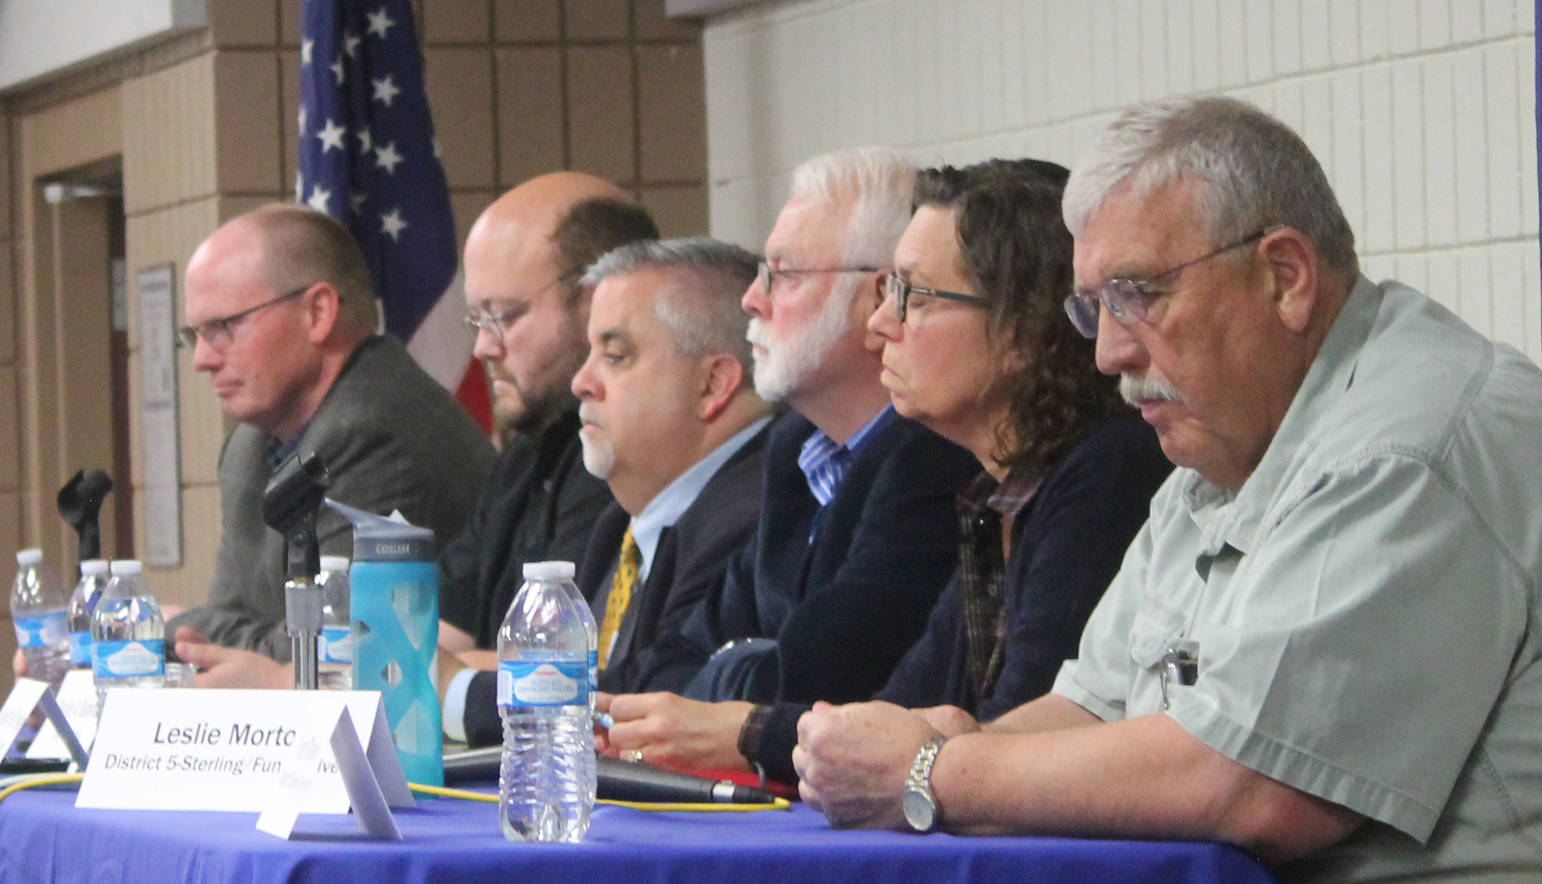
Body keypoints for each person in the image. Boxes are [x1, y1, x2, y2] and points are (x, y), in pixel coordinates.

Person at [794, 96, 1542, 879]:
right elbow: (1095, 706)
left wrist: (931, 775)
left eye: (1138, 295)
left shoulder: (1404, 446)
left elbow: (1255, 785)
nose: (1110, 351)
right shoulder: (1222, 446)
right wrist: (957, 748)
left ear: (1284, 276)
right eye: (1095, 308)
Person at [596, 160, 1170, 781]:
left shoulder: (1104, 475)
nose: (879, 324)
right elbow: (903, 712)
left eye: (913, 296)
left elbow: (1006, 745)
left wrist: (747, 728)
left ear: (1021, 330)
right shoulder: (998, 491)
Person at [176, 177, 660, 702]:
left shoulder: (378, 428)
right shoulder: (529, 454)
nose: (481, 348)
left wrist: (285, 668)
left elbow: (580, 667)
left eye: (504, 316)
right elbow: (411, 642)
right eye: (477, 319)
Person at [600, 147, 979, 766]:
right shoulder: (794, 449)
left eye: (783, 274)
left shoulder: (938, 456)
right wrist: (741, 672)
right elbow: (679, 655)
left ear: (878, 295)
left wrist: (735, 678)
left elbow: (822, 679)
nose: (752, 299)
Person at [454, 238, 776, 746]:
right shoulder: (620, 522)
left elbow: (648, 699)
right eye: (588, 355)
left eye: (616, 356)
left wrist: (453, 692)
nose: (582, 382)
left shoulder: (751, 513)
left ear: (714, 384)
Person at [166, 205, 494, 660]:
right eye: (196, 334)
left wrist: (176, 624)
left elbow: (333, 649)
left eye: (223, 327)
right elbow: (236, 620)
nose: (202, 358)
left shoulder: (378, 430)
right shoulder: (250, 444)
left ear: (318, 312)